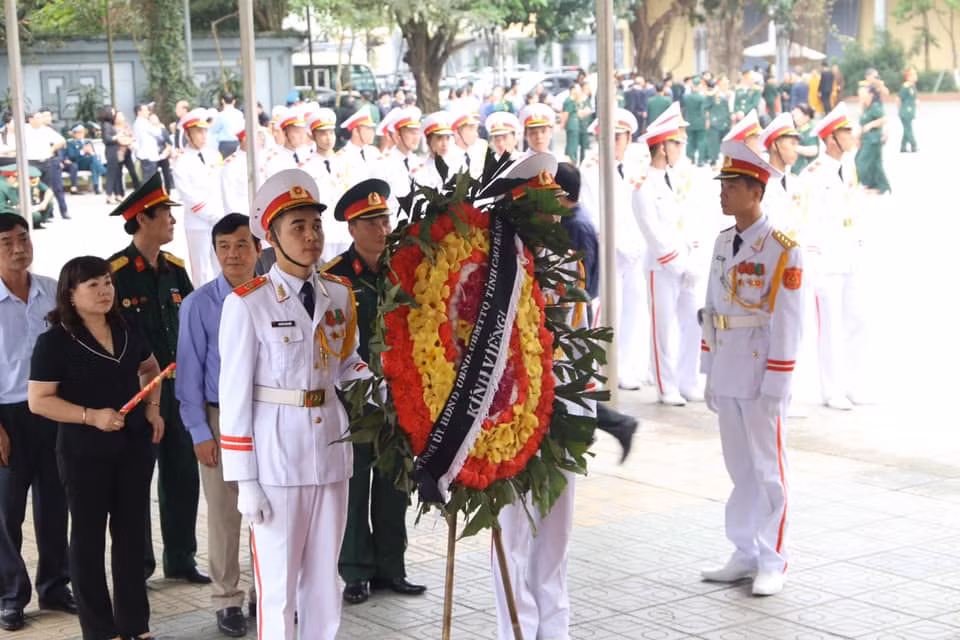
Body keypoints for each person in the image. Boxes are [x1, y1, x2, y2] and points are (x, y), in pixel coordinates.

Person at [218, 168, 375, 640]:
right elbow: (233, 398)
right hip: (276, 459)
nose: (311, 237)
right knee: (280, 589)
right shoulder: (249, 303)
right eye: (297, 227)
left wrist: (387, 387)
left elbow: (347, 363)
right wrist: (244, 480)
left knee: (325, 582)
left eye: (315, 225)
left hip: (331, 450)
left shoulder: (339, 294)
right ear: (271, 236)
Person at [27, 255, 165, 640]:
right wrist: (92, 416)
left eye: (107, 282)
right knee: (87, 541)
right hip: (82, 450)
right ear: (70, 295)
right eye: (93, 285)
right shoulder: (54, 341)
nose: (105, 291)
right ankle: (101, 631)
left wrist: (153, 410)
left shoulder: (127, 325)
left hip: (133, 445)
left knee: (131, 538)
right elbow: (39, 401)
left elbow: (151, 369)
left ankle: (135, 626)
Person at [487, 153, 593, 640]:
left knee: (555, 536)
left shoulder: (566, 264)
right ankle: (517, 630)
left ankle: (555, 629)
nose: (555, 215)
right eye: (543, 205)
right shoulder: (494, 270)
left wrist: (582, 415)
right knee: (511, 536)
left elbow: (581, 343)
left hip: (562, 416)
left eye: (555, 204)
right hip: (508, 422)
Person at [699, 140, 804, 598]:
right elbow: (711, 307)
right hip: (728, 368)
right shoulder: (724, 241)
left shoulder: (781, 248)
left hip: (762, 370)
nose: (722, 194)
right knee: (738, 467)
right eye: (722, 185)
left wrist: (779, 380)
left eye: (731, 186)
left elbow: (789, 319)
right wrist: (708, 367)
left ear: (754, 192)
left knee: (767, 470)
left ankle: (772, 558)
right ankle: (744, 551)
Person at [321, 180, 426, 606]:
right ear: (352, 229)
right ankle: (355, 571)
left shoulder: (405, 269)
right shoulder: (335, 279)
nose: (383, 229)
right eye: (372, 222)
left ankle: (391, 567)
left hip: (401, 397)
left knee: (394, 484)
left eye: (385, 219)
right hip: (355, 400)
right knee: (356, 483)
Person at [106, 173, 209, 586]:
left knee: (182, 473)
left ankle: (181, 558)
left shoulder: (176, 270)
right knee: (136, 478)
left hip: (179, 387)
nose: (171, 220)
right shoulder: (115, 273)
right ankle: (140, 563)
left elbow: (193, 325)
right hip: (138, 391)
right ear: (141, 218)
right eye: (165, 213)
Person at [176, 213, 261, 637]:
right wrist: (199, 431)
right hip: (220, 416)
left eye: (242, 244)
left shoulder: (274, 295)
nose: (233, 254)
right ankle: (227, 598)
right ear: (214, 252)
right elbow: (188, 374)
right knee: (225, 514)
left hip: (269, 414)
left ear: (259, 249)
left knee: (270, 510)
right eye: (224, 246)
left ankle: (265, 590)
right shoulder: (199, 304)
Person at [0, 213, 73, 632]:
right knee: (7, 511)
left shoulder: (51, 291)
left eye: (23, 238)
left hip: (50, 409)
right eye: (6, 241)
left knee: (54, 503)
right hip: (7, 415)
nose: (17, 247)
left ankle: (55, 585)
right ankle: (11, 595)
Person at [554, 163, 638, 460]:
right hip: (570, 315)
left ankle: (614, 425)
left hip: (573, 317)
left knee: (569, 382)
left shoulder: (576, 226)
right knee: (571, 382)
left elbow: (582, 280)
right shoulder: (570, 220)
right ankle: (606, 428)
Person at [633, 105, 705, 405]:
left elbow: (689, 220)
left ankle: (689, 381)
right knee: (662, 329)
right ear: (661, 147)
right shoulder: (643, 186)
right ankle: (667, 385)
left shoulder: (678, 179)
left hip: (687, 264)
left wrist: (695, 259)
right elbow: (653, 232)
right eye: (676, 142)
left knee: (693, 324)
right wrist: (677, 264)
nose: (680, 147)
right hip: (662, 268)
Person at [800, 102, 869, 410]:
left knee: (856, 320)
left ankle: (854, 384)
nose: (852, 136)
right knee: (829, 326)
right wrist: (813, 264)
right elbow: (807, 222)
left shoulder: (848, 168)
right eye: (846, 132)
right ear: (830, 138)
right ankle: (832, 390)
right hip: (827, 261)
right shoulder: (812, 174)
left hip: (850, 256)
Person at [173, 108, 223, 286]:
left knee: (222, 267)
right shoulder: (182, 161)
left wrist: (220, 214)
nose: (203, 135)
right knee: (200, 270)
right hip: (198, 223)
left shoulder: (213, 154)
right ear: (187, 134)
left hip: (219, 219)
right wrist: (211, 214)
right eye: (198, 131)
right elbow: (188, 196)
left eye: (204, 131)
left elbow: (219, 186)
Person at [23, 112, 69, 220]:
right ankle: (34, 214)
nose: (41, 120)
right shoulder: (24, 129)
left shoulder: (46, 130)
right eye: (38, 118)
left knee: (47, 188)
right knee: (33, 189)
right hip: (31, 162)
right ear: (30, 119)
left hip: (46, 162)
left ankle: (47, 213)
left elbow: (62, 141)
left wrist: (52, 149)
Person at [854, 84, 890, 194]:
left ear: (870, 95)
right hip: (865, 140)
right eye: (859, 95)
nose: (860, 97)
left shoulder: (875, 106)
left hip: (873, 140)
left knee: (862, 163)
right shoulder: (865, 108)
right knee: (874, 164)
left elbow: (884, 119)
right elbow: (861, 124)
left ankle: (861, 184)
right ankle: (878, 187)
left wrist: (871, 125)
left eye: (862, 95)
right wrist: (857, 138)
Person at [336, 106, 380, 186]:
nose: (372, 133)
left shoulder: (374, 152)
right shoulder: (342, 157)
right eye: (368, 129)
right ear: (356, 131)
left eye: (372, 129)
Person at [412, 112, 456, 190]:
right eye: (439, 138)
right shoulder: (419, 172)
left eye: (447, 138)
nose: (444, 144)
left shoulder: (456, 167)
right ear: (428, 141)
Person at [65, 124, 106, 195]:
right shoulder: (71, 143)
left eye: (82, 132)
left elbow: (94, 153)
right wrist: (82, 151)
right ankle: (104, 171)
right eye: (79, 132)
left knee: (93, 164)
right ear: (74, 134)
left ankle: (96, 187)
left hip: (90, 162)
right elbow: (71, 156)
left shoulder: (88, 142)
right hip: (79, 163)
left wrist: (91, 152)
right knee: (93, 160)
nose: (81, 134)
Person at [451, 109, 486, 179]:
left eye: (476, 129)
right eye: (471, 129)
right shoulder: (448, 157)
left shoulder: (480, 150)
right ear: (457, 133)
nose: (476, 134)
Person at [705, 77, 731, 168]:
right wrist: (708, 119)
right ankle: (714, 162)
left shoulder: (729, 94)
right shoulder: (713, 94)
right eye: (725, 84)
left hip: (726, 122)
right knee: (714, 144)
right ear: (720, 85)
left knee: (727, 144)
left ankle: (727, 162)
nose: (727, 86)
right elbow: (706, 107)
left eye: (727, 84)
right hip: (715, 122)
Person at [114, 112, 142, 197]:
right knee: (118, 173)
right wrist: (126, 140)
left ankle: (138, 191)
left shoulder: (126, 126)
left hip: (128, 152)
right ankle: (120, 193)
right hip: (118, 152)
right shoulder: (113, 128)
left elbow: (132, 137)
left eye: (122, 115)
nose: (122, 117)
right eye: (119, 116)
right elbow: (119, 140)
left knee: (133, 171)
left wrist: (127, 140)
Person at [210, 93, 245, 160]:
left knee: (224, 166)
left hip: (225, 145)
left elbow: (213, 130)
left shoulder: (221, 115)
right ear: (234, 101)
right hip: (237, 143)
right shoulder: (239, 114)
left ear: (222, 101)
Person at [682, 77, 708, 166]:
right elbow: (704, 110)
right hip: (700, 122)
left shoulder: (686, 97)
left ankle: (690, 158)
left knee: (690, 140)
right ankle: (700, 160)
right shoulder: (702, 98)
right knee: (701, 141)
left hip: (689, 121)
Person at [134, 103, 161, 183]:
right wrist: (156, 124)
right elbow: (157, 132)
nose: (148, 112)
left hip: (145, 154)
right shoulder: (144, 123)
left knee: (148, 177)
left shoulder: (137, 122)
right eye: (145, 110)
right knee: (149, 178)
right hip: (149, 154)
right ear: (139, 112)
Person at [789, 104, 818, 175]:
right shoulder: (799, 128)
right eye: (793, 115)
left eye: (797, 115)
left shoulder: (811, 130)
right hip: (797, 170)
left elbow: (813, 150)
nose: (794, 118)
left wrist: (793, 148)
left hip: (806, 171)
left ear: (806, 117)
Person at [561, 84, 585, 163]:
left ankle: (572, 161)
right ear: (572, 90)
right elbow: (566, 113)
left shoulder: (574, 100)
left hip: (575, 125)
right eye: (577, 89)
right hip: (572, 125)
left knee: (574, 146)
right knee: (572, 146)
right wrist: (563, 124)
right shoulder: (569, 100)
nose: (579, 91)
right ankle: (571, 161)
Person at [898, 68, 918, 153]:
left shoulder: (912, 86)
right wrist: (900, 110)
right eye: (913, 75)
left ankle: (903, 147)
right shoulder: (905, 86)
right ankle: (914, 145)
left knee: (907, 129)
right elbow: (898, 99)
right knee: (908, 129)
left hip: (910, 111)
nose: (915, 76)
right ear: (908, 77)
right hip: (905, 112)